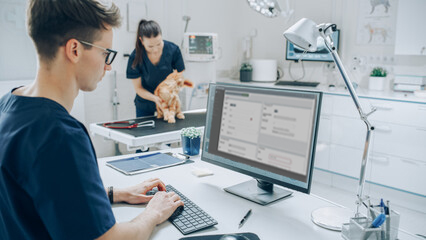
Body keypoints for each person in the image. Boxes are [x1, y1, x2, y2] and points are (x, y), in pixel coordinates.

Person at [0, 1, 183, 239]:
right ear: (75, 50)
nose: (107, 67)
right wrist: (153, 213)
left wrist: (113, 193)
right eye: (105, 53)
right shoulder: (59, 135)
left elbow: (37, 193)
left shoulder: (8, 105)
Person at [127, 20, 185, 118]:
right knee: (145, 132)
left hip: (167, 100)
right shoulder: (135, 57)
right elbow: (138, 88)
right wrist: (156, 98)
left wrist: (170, 94)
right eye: (150, 46)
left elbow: (179, 76)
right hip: (145, 103)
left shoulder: (173, 50)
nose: (155, 50)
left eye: (158, 44)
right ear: (141, 41)